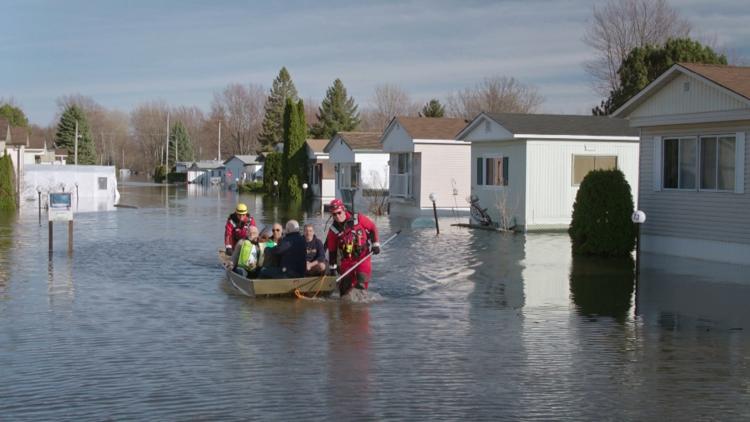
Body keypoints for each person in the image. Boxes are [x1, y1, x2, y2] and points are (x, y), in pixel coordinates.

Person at [325, 198, 380, 297]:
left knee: (361, 285)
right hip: (347, 261)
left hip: (363, 258)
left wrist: (375, 244)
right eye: (334, 214)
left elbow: (372, 228)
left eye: (339, 213)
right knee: (344, 291)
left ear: (344, 209)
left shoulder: (358, 218)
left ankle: (361, 310)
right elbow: (332, 251)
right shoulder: (333, 230)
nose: (337, 216)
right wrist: (332, 269)